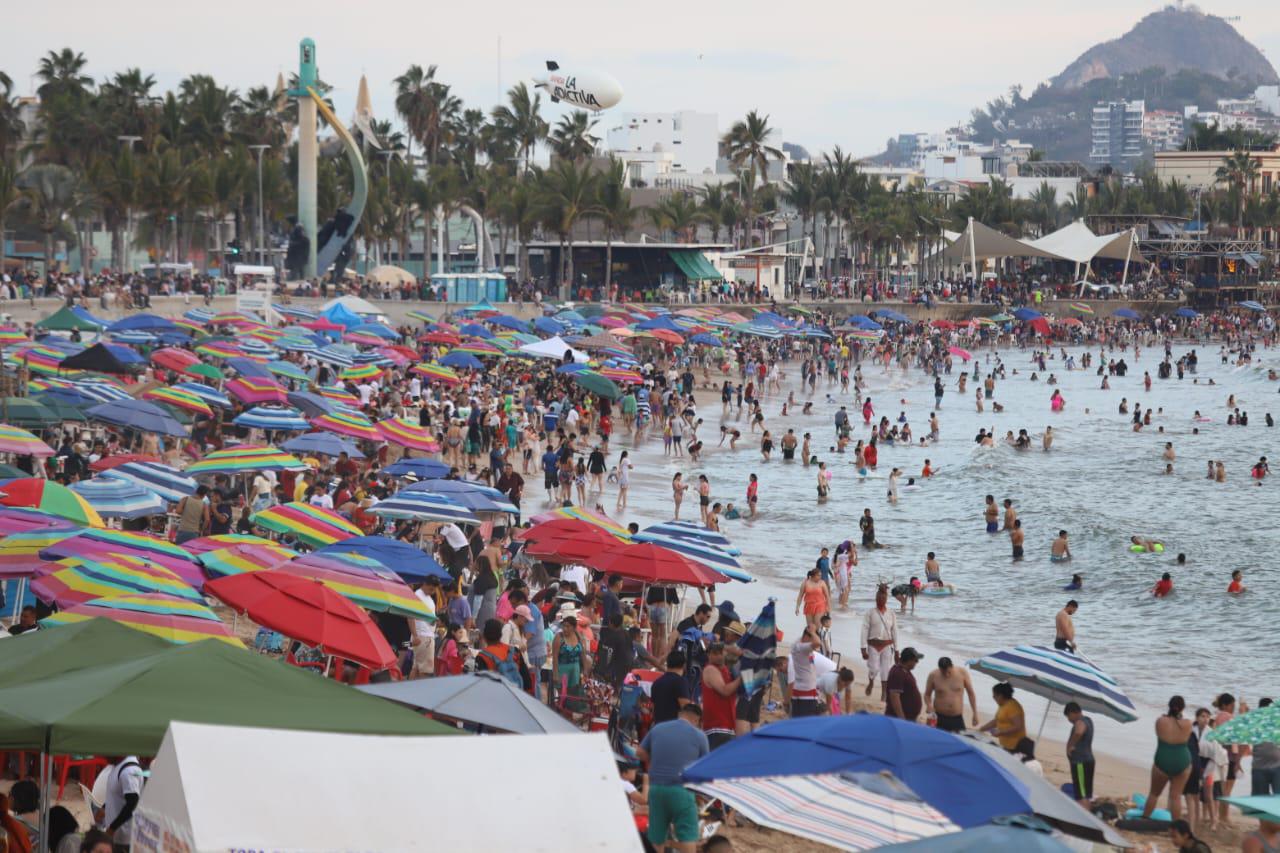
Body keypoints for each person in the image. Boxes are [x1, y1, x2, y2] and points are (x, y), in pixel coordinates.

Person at [637, 704, 710, 853]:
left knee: (657, 838)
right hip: (682, 791)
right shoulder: (699, 735)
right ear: (696, 720)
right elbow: (705, 767)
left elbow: (639, 753)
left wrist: (656, 759)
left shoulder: (658, 728)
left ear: (680, 714)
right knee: (688, 837)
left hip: (656, 789)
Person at [1142, 695, 1193, 821]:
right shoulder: (1187, 724)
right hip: (1182, 760)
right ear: (1183, 708)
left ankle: (1144, 819)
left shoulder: (1160, 721)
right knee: (1176, 797)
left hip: (1163, 759)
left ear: (1169, 706)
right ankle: (1176, 827)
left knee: (1154, 794)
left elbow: (1159, 734)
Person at [860, 585, 898, 700]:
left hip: (887, 644)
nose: (881, 601)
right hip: (873, 645)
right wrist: (863, 648)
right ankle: (871, 681)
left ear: (886, 600)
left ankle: (884, 693)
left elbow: (895, 631)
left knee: (885, 669)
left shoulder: (891, 613)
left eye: (883, 599)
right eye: (879, 599)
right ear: (876, 599)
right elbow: (864, 629)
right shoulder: (870, 613)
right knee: (874, 669)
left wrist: (897, 650)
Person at [701, 642, 741, 748]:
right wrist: (742, 678)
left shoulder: (726, 670)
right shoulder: (710, 669)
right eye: (714, 653)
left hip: (726, 726)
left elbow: (741, 651)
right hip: (716, 726)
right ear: (708, 655)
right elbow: (725, 691)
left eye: (720, 653)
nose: (718, 656)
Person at [923, 657, 979, 732]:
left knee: (959, 741)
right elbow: (927, 695)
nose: (946, 675)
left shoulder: (962, 673)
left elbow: (971, 693)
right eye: (943, 672)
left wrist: (975, 713)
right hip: (938, 717)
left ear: (952, 666)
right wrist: (929, 705)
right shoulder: (933, 675)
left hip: (957, 718)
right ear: (939, 669)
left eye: (949, 672)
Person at [102, 754, 145, 849]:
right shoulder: (119, 766)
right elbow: (117, 793)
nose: (104, 757)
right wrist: (103, 809)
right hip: (116, 833)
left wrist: (112, 828)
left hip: (124, 835)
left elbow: (132, 803)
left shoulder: (129, 771)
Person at [979, 683, 1027, 754]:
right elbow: (996, 721)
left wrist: (1001, 732)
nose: (993, 697)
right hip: (1006, 744)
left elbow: (1018, 726)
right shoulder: (1003, 704)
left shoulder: (1013, 706)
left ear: (1000, 696)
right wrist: (982, 729)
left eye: (994, 695)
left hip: (1015, 746)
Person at [1063, 701, 1095, 805]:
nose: (1069, 720)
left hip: (1080, 762)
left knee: (1081, 796)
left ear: (1073, 713)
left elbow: (1079, 732)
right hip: (1089, 759)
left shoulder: (1080, 722)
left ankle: (1083, 819)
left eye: (1068, 716)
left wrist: (1070, 745)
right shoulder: (1089, 720)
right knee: (1086, 794)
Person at [651, 650, 692, 724]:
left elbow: (653, 709)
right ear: (684, 665)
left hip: (659, 727)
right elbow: (685, 707)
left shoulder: (656, 682)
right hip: (674, 728)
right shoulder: (680, 681)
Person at [789, 627, 821, 717]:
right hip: (807, 692)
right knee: (805, 723)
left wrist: (811, 629)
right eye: (812, 638)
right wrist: (813, 631)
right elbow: (818, 643)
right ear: (807, 636)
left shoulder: (798, 644)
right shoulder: (802, 647)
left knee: (797, 722)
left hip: (800, 689)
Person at [885, 647, 923, 723]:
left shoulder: (905, 671)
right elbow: (894, 696)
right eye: (915, 660)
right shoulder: (898, 673)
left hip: (908, 717)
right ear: (909, 660)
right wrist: (901, 719)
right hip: (898, 718)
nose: (917, 662)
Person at [1251, 698, 1280, 796]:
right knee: (1260, 801)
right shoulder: (1254, 722)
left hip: (1277, 766)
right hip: (1259, 767)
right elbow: (1243, 740)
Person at [794, 567, 830, 634]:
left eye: (821, 575)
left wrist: (828, 608)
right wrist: (797, 607)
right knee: (810, 627)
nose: (820, 577)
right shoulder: (805, 582)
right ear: (813, 575)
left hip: (820, 605)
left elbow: (827, 596)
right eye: (818, 575)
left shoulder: (822, 583)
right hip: (809, 606)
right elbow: (800, 596)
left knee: (818, 626)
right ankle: (812, 642)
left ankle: (820, 642)